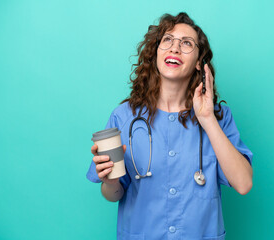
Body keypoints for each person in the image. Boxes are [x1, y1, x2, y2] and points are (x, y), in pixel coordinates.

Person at [86, 12, 253, 240]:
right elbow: (113, 194)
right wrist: (110, 180)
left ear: (198, 63)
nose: (175, 48)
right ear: (156, 53)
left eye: (186, 43)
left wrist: (207, 119)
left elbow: (243, 184)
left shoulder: (218, 117)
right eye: (167, 40)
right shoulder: (124, 117)